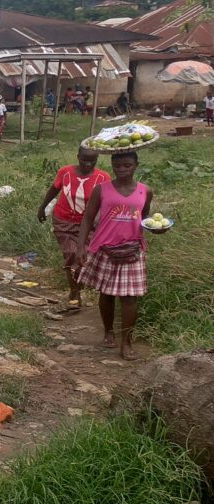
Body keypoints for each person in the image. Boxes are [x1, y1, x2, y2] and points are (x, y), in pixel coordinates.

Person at [79, 150, 154, 360]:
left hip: (132, 249)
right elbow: (87, 218)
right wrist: (80, 247)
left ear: (136, 165)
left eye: (127, 165)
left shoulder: (145, 191)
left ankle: (127, 343)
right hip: (105, 248)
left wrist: (156, 227)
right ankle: (108, 331)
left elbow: (145, 218)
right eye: (118, 166)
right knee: (107, 294)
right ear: (112, 166)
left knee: (130, 299)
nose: (122, 170)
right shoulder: (101, 190)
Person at [37, 148, 109, 307]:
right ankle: (74, 291)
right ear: (78, 157)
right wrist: (42, 207)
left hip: (88, 224)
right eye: (84, 159)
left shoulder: (103, 178)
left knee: (85, 256)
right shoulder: (66, 172)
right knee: (71, 254)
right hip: (63, 221)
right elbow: (54, 189)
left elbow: (106, 202)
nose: (88, 164)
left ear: (97, 159)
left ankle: (80, 283)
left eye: (92, 161)